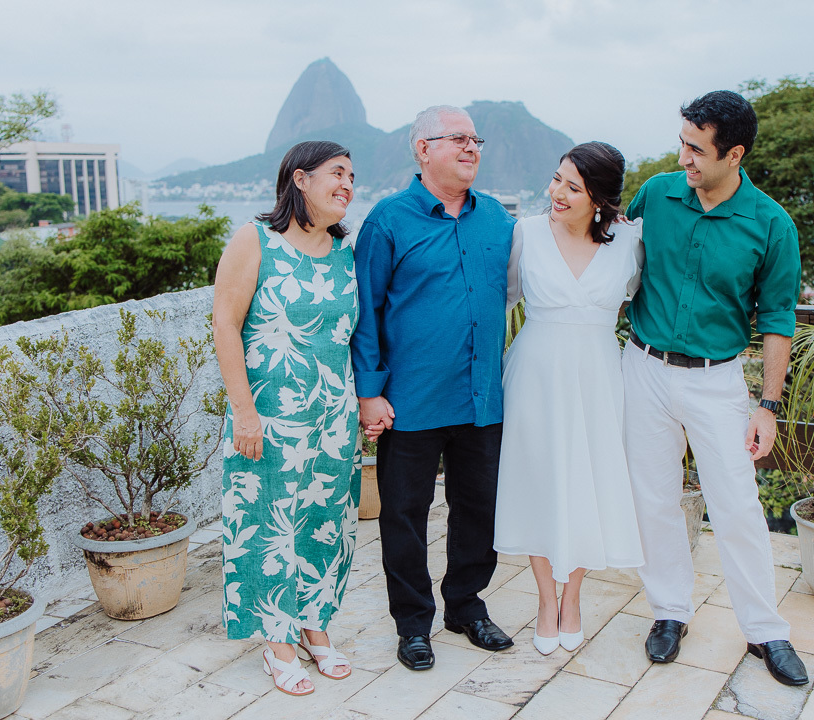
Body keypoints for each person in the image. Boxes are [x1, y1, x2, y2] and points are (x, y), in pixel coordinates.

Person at [622, 91, 809, 686]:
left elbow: (778, 319)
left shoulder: (772, 224)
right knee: (652, 498)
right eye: (682, 143)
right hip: (643, 367)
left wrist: (769, 406)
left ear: (735, 154)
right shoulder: (655, 194)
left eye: (697, 149)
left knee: (737, 508)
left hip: (717, 381)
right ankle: (670, 612)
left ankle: (764, 629)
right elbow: (613, 257)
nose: (684, 158)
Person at [352, 105, 517, 671]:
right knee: (404, 514)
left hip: (481, 398)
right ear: (423, 149)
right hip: (412, 401)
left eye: (476, 139)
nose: (471, 148)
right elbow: (365, 311)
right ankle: (413, 623)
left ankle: (466, 607)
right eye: (457, 139)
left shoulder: (497, 219)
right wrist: (369, 392)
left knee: (479, 509)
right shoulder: (388, 221)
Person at [213, 141, 360, 697]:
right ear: (299, 178)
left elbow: (355, 337)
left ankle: (314, 628)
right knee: (270, 528)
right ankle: (276, 643)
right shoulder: (256, 240)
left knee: (325, 523)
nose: (347, 184)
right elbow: (225, 323)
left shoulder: (347, 251)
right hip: (269, 418)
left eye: (352, 176)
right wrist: (243, 412)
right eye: (336, 173)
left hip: (332, 417)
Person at [494, 142, 645, 655]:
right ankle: (543, 598)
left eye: (572, 187)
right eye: (556, 179)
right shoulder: (526, 233)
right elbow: (505, 298)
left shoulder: (630, 240)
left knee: (589, 483)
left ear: (600, 198)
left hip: (599, 377)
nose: (556, 193)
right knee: (536, 482)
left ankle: (572, 597)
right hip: (534, 373)